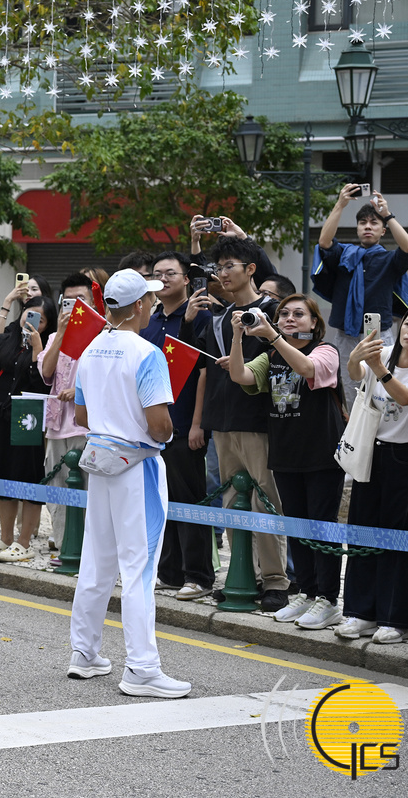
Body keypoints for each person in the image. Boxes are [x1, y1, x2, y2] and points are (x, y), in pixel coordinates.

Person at [67, 269, 190, 698]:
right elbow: (159, 426)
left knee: (96, 562)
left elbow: (81, 417)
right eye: (149, 299)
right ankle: (141, 668)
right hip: (137, 466)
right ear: (139, 305)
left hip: (101, 461)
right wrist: (166, 432)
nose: (153, 304)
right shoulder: (147, 353)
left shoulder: (89, 351)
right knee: (139, 568)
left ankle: (84, 653)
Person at [227, 294, 346, 630]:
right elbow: (240, 375)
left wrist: (272, 335)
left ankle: (328, 599)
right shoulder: (271, 355)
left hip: (322, 455)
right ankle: (307, 593)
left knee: (321, 526)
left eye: (298, 314)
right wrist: (237, 336)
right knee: (296, 527)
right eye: (283, 314)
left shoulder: (325, 350)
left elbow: (308, 369)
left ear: (314, 322)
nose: (289, 318)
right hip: (285, 454)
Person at [195, 229, 291, 612]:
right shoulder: (217, 317)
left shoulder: (273, 310)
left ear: (251, 269)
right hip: (223, 419)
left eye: (229, 266)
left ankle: (276, 581)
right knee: (231, 499)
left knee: (265, 500)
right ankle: (241, 576)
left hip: (259, 419)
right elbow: (205, 371)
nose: (222, 274)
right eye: (218, 267)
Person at [335, 311, 408, 644]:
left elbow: (406, 398)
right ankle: (360, 613)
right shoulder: (384, 351)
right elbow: (356, 375)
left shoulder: (384, 361)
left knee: (397, 537)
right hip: (372, 449)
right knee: (362, 530)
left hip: (406, 456)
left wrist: (379, 368)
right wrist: (355, 359)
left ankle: (394, 618)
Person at [142, 251, 215, 600]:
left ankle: (198, 576)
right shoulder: (149, 319)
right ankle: (169, 572)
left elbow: (204, 373)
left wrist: (199, 423)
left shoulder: (201, 315)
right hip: (153, 426)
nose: (163, 278)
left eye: (170, 273)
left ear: (187, 279)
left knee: (189, 501)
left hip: (185, 422)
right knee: (160, 500)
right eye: (157, 273)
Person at [314, 185, 408, 406]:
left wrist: (387, 214)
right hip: (346, 334)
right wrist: (340, 204)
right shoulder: (344, 254)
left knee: (383, 389)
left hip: (380, 333)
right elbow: (324, 243)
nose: (368, 226)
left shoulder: (390, 260)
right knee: (351, 390)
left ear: (383, 231)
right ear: (357, 228)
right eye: (362, 223)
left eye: (374, 223)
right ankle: (353, 425)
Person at [0, 294, 55, 562]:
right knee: (2, 477)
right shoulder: (4, 340)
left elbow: (42, 383)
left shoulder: (48, 346)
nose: (32, 321)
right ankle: (5, 537)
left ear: (47, 324)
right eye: (29, 314)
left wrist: (37, 350)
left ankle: (24, 541)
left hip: (27, 415)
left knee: (27, 477)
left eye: (40, 319)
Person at [36, 274, 97, 553]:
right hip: (56, 425)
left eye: (81, 300)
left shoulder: (102, 335)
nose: (75, 307)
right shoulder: (53, 337)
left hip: (86, 426)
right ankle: (64, 547)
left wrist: (80, 391)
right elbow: (46, 372)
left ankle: (87, 551)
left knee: (88, 491)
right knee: (56, 490)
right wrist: (60, 333)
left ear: (93, 302)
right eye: (69, 301)